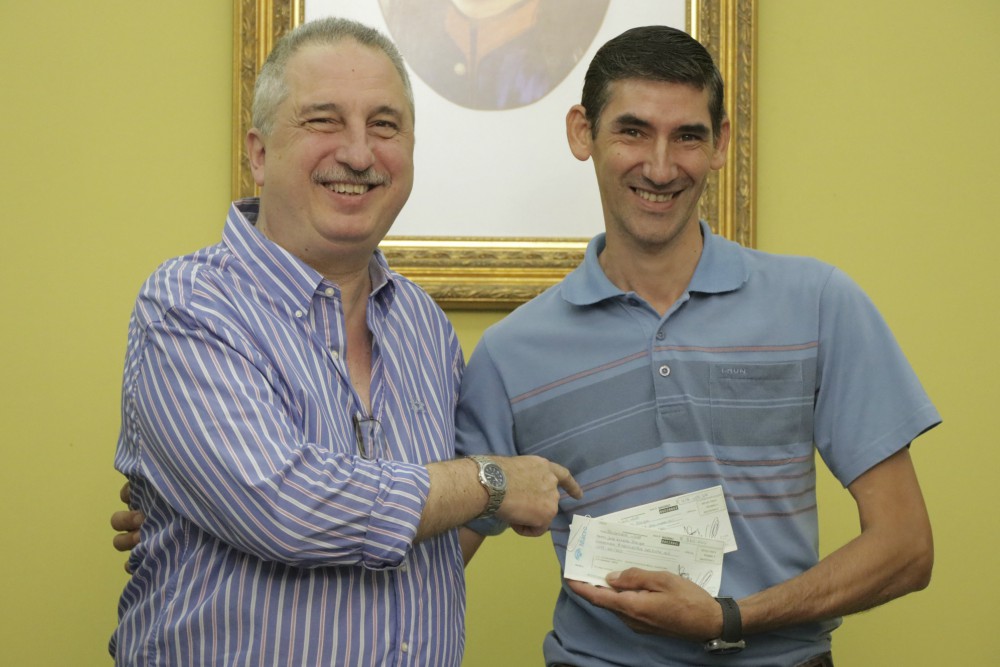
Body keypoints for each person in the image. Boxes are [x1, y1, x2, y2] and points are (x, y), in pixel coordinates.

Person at [454, 25, 939, 667]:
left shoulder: (820, 303)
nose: (660, 168)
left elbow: (906, 548)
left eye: (687, 136)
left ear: (721, 144)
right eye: (632, 131)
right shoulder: (509, 354)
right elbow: (434, 565)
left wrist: (729, 619)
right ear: (582, 132)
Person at [108, 16, 580, 666]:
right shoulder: (190, 306)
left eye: (384, 125)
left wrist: (480, 494)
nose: (359, 154)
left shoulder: (424, 325)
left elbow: (436, 523)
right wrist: (490, 481)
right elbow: (285, 507)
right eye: (324, 121)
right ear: (259, 153)